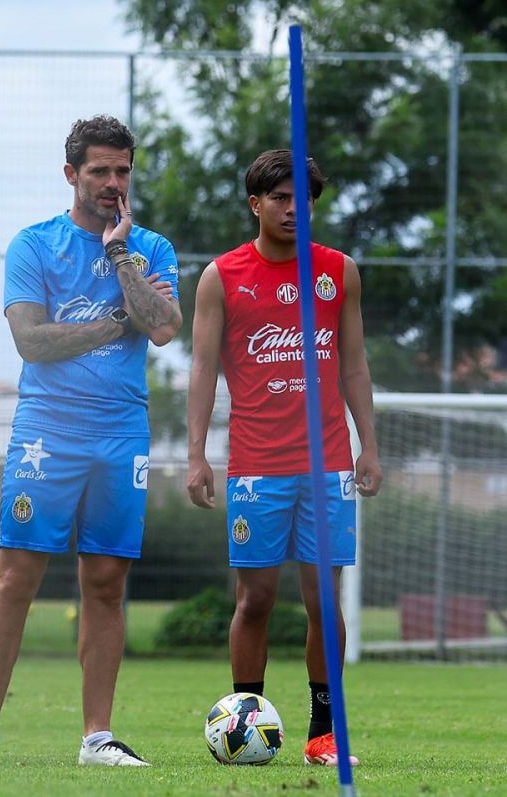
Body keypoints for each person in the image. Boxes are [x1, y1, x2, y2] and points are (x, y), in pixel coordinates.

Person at [0, 115, 182, 769]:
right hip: (46, 431)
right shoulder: (33, 244)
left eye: (123, 171)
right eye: (100, 171)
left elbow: (166, 326)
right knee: (15, 576)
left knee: (106, 582)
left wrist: (119, 256)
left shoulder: (151, 248)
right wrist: (121, 319)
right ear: (71, 174)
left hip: (121, 431)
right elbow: (32, 341)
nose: (113, 183)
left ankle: (97, 737)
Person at [185, 149, 383, 768]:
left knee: (325, 598)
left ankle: (325, 734)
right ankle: (248, 718)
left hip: (326, 465)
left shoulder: (338, 273)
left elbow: (352, 365)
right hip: (255, 467)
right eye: (280, 198)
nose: (294, 209)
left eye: (304, 198)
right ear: (256, 204)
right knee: (257, 600)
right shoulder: (222, 276)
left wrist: (368, 444)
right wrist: (195, 454)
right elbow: (200, 369)